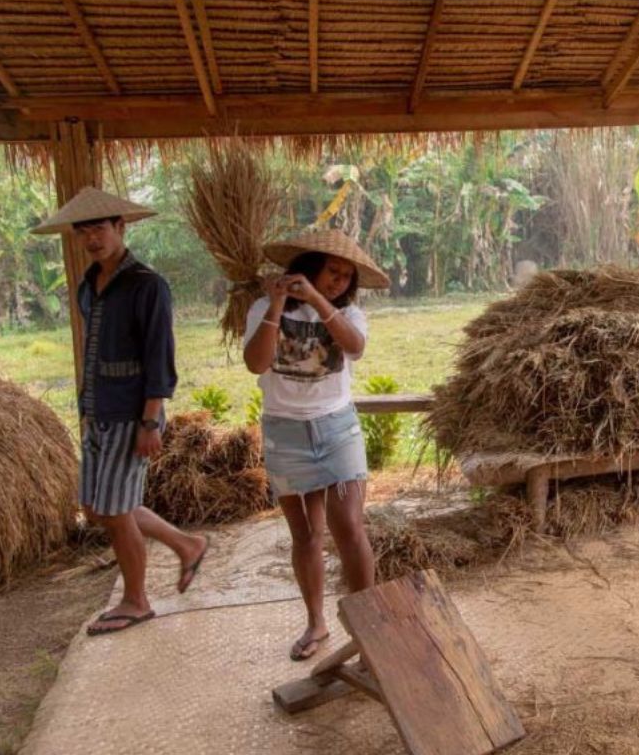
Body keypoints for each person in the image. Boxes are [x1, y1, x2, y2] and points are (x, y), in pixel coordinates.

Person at [34, 188, 208, 636]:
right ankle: (186, 544)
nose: (93, 238)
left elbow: (159, 356)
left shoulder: (147, 285)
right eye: (84, 230)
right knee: (97, 506)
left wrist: (151, 420)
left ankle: (136, 600)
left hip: (133, 414)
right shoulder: (88, 286)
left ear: (120, 228)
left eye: (100, 228)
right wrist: (88, 409)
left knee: (113, 510)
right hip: (98, 409)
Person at [242, 229, 391, 661]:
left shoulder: (351, 315)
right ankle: (316, 623)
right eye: (332, 272)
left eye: (346, 277)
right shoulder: (261, 308)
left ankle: (370, 628)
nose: (338, 282)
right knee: (306, 535)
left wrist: (319, 301)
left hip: (336, 428)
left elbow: (355, 346)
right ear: (309, 267)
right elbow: (256, 363)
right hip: (285, 434)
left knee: (348, 526)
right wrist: (276, 303)